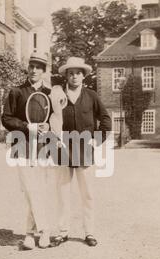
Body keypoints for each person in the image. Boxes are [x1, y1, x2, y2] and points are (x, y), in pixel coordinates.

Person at [52, 57, 112, 247]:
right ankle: (63, 232)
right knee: (62, 192)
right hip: (63, 150)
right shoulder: (57, 95)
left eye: (78, 73)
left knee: (88, 193)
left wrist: (96, 140)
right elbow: (50, 119)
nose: (74, 76)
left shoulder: (91, 96)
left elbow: (105, 120)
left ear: (83, 75)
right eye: (71, 73)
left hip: (86, 149)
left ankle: (89, 232)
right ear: (66, 76)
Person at [2, 52, 51, 250]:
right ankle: (44, 230)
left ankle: (30, 234)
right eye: (31, 66)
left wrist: (49, 127)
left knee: (39, 190)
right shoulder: (16, 92)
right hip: (21, 147)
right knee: (31, 190)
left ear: (43, 71)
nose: (34, 70)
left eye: (38, 67)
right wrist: (26, 127)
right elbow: (6, 118)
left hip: (43, 148)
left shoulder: (49, 94)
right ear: (27, 68)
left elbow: (56, 119)